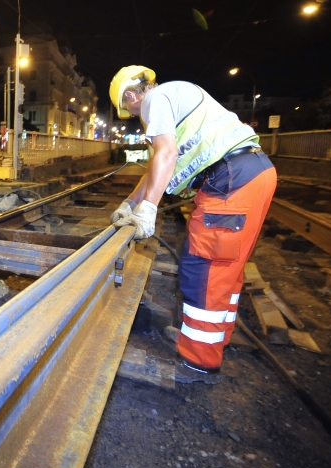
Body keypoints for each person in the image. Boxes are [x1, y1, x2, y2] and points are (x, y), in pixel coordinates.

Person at [108, 65, 278, 384]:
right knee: (225, 267)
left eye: (129, 110)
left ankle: (198, 362)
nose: (136, 116)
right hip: (251, 173)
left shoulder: (155, 99)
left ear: (131, 96)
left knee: (204, 268)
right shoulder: (175, 96)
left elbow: (167, 154)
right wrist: (129, 203)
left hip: (231, 179)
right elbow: (155, 170)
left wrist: (148, 210)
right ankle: (211, 340)